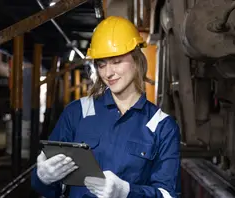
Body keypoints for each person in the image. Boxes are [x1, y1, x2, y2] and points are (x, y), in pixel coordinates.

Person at [31, 15, 181, 198]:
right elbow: (50, 189)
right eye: (101, 65)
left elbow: (168, 195)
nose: (108, 73)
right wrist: (43, 177)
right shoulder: (77, 113)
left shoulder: (162, 126)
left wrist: (126, 192)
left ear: (137, 60)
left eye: (117, 62)